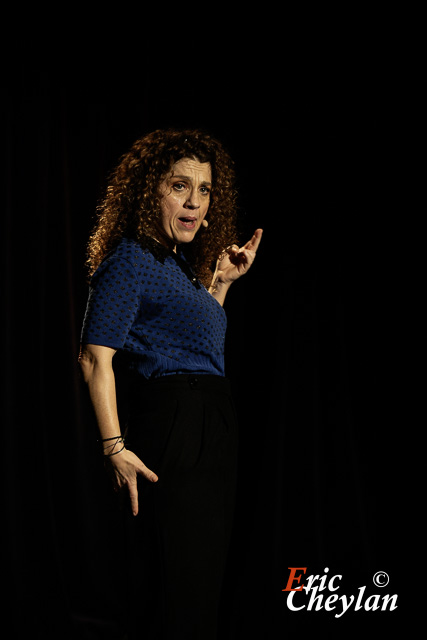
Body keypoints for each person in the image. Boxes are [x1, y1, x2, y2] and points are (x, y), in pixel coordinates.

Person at [78, 128, 262, 639]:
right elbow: (95, 358)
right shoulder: (130, 259)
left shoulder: (181, 267)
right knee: (174, 593)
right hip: (174, 427)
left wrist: (219, 284)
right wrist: (114, 446)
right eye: (180, 186)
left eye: (204, 190)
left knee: (200, 591)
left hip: (212, 427)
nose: (195, 202)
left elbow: (197, 350)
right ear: (149, 191)